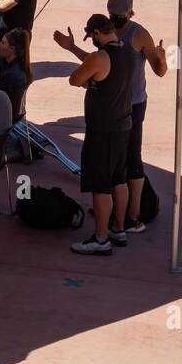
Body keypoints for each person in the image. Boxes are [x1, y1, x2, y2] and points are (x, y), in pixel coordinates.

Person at [58, 0, 167, 234]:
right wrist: (73, 48)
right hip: (117, 106)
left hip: (130, 106)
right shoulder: (113, 39)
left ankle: (133, 215)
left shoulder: (138, 34)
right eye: (113, 16)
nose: (117, 19)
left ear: (131, 14)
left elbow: (158, 71)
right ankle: (119, 219)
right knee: (118, 168)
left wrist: (162, 59)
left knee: (129, 161)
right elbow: (97, 62)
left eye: (120, 16)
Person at [55, 14, 135, 255]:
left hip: (102, 130)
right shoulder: (127, 50)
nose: (92, 41)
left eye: (91, 37)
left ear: (98, 33)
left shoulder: (101, 56)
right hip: (123, 126)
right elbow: (94, 65)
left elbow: (75, 78)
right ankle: (118, 229)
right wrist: (72, 49)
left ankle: (100, 239)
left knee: (100, 185)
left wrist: (87, 81)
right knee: (119, 180)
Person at [0, 27, 33, 122]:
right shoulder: (11, 65)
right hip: (12, 115)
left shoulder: (12, 74)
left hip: (5, 119)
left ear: (12, 49)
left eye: (3, 43)